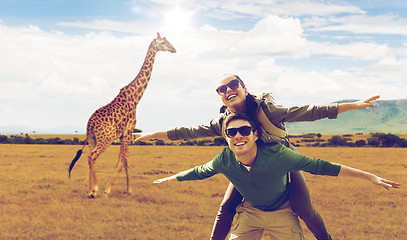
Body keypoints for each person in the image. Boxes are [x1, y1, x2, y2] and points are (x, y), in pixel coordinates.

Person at [135, 74, 381, 240]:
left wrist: (353, 105)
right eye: (222, 89)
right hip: (247, 164)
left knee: (303, 208)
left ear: (244, 89)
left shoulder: (267, 111)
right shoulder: (222, 123)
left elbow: (309, 112)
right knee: (226, 207)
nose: (228, 90)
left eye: (233, 85)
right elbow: (188, 132)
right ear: (220, 96)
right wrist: (152, 134)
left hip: (282, 162)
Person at [153, 113, 400, 240]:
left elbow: (322, 166)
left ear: (256, 134)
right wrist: (172, 178)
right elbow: (199, 171)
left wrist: (370, 177)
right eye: (232, 132)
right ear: (226, 137)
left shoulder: (280, 156)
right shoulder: (223, 159)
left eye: (244, 131)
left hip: (283, 212)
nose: (238, 136)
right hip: (249, 213)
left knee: (307, 211)